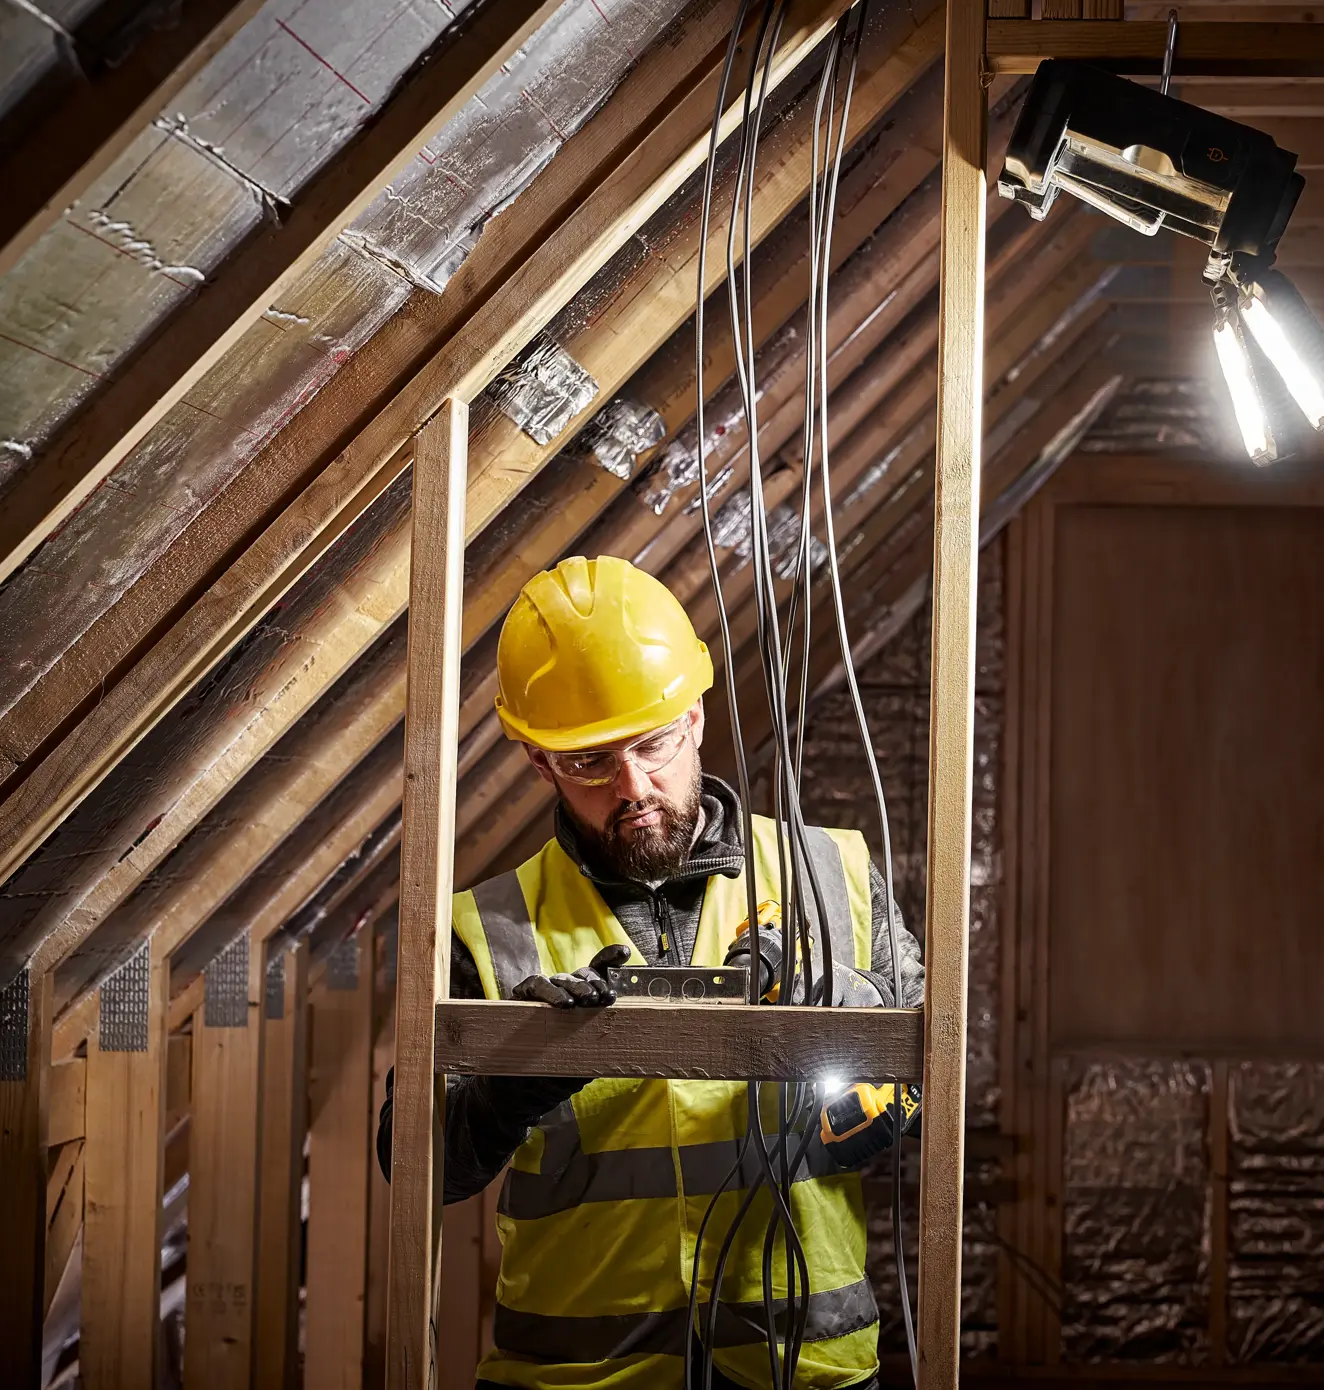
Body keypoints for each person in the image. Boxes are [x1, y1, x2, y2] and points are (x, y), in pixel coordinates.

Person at [376, 554, 924, 1390]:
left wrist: (829, 1012)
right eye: (592, 763)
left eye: (654, 744)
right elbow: (414, 1167)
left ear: (696, 717)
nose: (635, 788)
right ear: (537, 762)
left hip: (798, 1366)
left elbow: (922, 1098)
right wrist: (516, 1079)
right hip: (573, 1375)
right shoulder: (487, 928)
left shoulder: (829, 877)